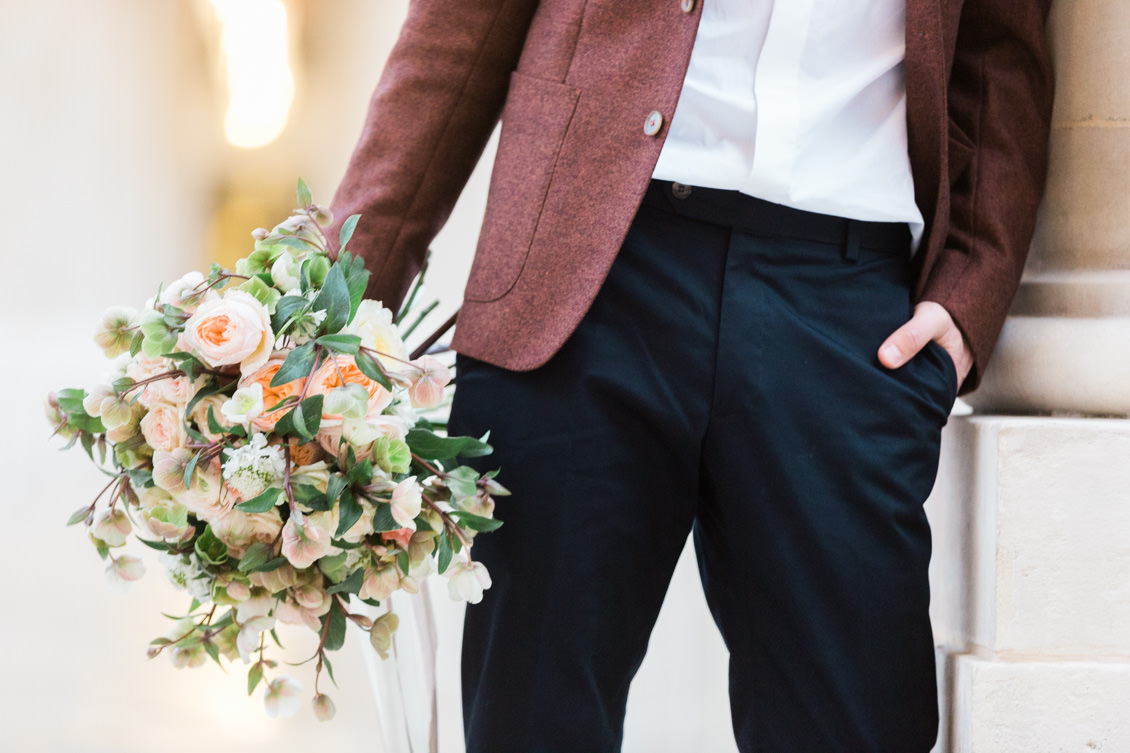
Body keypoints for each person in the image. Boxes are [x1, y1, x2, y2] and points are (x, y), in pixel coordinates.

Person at [329, 1, 1054, 750]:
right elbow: (459, 32)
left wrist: (970, 287)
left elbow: (1000, 48)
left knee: (856, 724)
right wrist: (325, 320)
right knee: (532, 721)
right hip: (578, 283)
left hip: (850, 312)